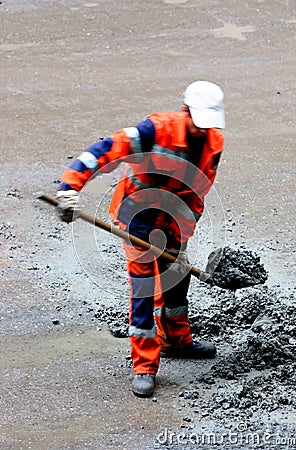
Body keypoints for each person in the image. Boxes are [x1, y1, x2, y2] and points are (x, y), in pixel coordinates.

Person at [56, 80, 225, 398]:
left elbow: (199, 189)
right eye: (198, 123)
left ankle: (176, 339)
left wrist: (180, 237)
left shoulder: (213, 141)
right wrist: (69, 188)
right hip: (139, 217)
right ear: (185, 110)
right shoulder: (153, 131)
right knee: (144, 290)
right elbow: (103, 151)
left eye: (209, 124)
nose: (203, 131)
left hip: (175, 217)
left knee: (178, 277)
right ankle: (145, 366)